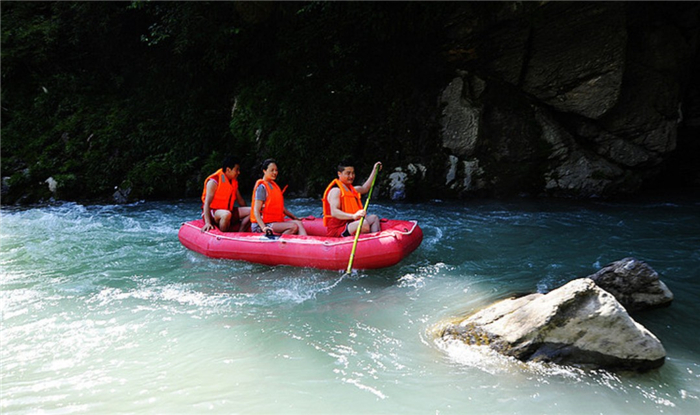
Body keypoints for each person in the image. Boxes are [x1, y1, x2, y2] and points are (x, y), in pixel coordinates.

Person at [322, 160, 382, 237]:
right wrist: (353, 216)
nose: (351, 176)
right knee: (363, 223)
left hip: (349, 224)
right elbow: (334, 212)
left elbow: (365, 188)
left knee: (374, 218)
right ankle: (367, 242)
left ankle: (375, 241)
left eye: (353, 173)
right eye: (348, 173)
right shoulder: (335, 191)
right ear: (339, 174)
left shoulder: (352, 190)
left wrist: (374, 170)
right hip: (338, 230)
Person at [250, 158, 307, 236]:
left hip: (273, 222)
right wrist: (264, 228)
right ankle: (279, 244)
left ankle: (305, 244)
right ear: (264, 171)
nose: (275, 172)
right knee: (293, 227)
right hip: (262, 225)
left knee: (298, 223)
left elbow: (281, 208)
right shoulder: (262, 188)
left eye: (276, 170)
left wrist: (295, 218)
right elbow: (256, 211)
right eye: (272, 170)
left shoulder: (274, 186)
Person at [201, 156, 251, 232]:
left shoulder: (233, 182)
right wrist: (207, 223)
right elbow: (206, 204)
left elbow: (241, 201)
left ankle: (241, 232)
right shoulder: (214, 181)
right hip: (213, 212)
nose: (238, 172)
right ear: (228, 169)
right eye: (236, 170)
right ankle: (223, 236)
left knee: (253, 211)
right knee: (226, 214)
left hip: (227, 211)